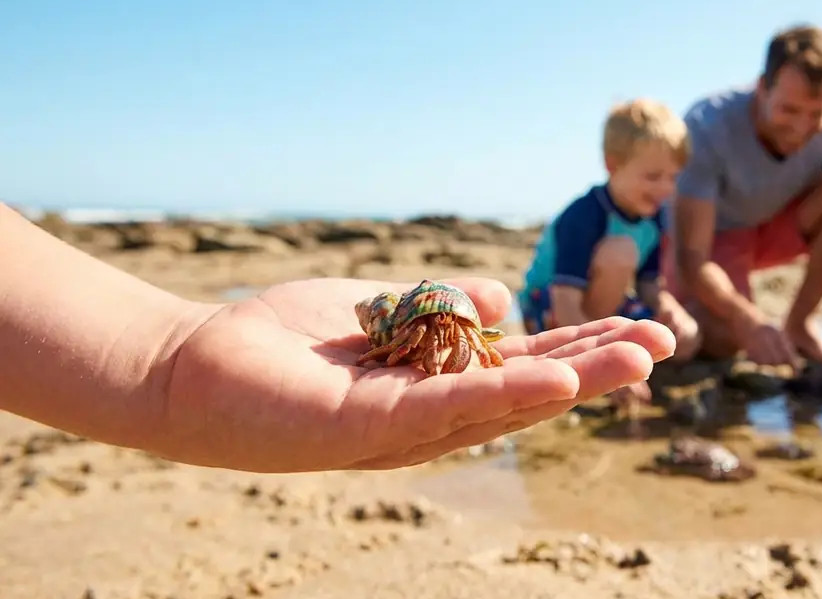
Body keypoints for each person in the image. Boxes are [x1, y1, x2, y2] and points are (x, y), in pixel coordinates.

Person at [0, 202, 676, 473]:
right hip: (404, 316)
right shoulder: (406, 322)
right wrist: (171, 359)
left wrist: (169, 354)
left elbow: (462, 326)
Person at [663, 24, 822, 367]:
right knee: (721, 338)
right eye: (789, 110)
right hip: (712, 242)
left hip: (777, 226)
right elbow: (693, 259)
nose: (801, 127)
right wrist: (748, 319)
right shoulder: (708, 126)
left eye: (817, 114)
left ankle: (799, 324)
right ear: (761, 88)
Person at [517, 98, 702, 404]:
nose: (666, 189)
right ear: (613, 165)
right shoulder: (585, 215)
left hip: (602, 304)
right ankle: (599, 366)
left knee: (682, 339)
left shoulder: (654, 217)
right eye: (653, 176)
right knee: (621, 252)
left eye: (673, 177)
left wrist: (674, 313)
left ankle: (622, 362)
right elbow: (565, 303)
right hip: (550, 311)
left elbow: (648, 284)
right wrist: (606, 368)